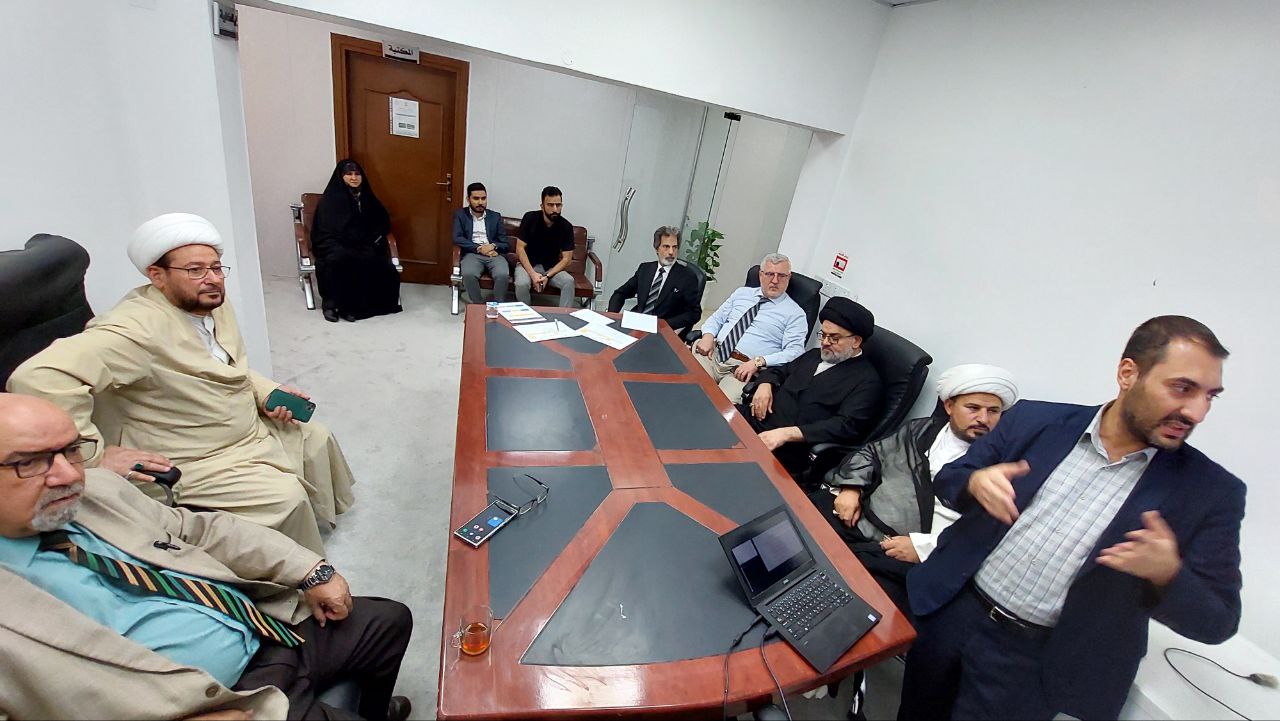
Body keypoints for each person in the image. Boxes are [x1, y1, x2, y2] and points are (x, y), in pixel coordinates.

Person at [899, 316, 1245, 721]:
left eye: (1210, 396)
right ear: (1128, 373)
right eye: (1183, 388)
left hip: (1033, 664)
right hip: (953, 614)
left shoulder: (1210, 492)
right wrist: (974, 482)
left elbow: (1219, 621)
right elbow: (948, 480)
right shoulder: (1034, 421)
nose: (1197, 412)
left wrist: (1168, 573)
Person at [0, 393, 412, 721]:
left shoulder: (99, 490)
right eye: (29, 462)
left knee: (389, 621)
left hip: (265, 628)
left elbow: (200, 529)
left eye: (71, 450)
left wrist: (310, 569)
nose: (69, 475)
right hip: (216, 701)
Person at [7, 213, 354, 556]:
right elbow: (37, 376)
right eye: (195, 270)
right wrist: (93, 456)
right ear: (156, 275)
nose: (212, 279)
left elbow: (226, 365)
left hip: (239, 423)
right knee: (283, 497)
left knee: (315, 436)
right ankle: (296, 573)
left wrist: (265, 392)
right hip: (195, 451)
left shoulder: (210, 303)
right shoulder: (135, 330)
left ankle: (313, 521)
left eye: (216, 268)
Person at [808, 363, 1017, 721]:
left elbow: (988, 534)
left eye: (993, 411)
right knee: (802, 521)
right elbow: (874, 452)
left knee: (857, 595)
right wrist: (851, 487)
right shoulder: (921, 430)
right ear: (949, 405)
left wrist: (922, 547)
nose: (983, 419)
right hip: (861, 519)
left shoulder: (1000, 465)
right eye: (973, 408)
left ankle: (818, 664)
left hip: (913, 556)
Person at [738, 297, 882, 480]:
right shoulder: (814, 355)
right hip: (753, 420)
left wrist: (787, 434)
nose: (825, 342)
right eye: (823, 335)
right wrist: (764, 385)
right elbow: (780, 371)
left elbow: (845, 426)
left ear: (856, 341)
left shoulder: (867, 382)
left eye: (834, 338)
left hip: (786, 449)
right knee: (710, 420)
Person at [692, 253, 807, 403]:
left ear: (789, 277)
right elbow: (717, 319)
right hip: (712, 355)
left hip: (742, 370)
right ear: (760, 275)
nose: (775, 280)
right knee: (684, 384)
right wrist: (708, 336)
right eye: (770, 274)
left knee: (717, 406)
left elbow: (795, 352)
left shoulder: (795, 314)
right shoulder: (742, 293)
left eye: (781, 276)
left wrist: (758, 362)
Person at [311, 159, 402, 322]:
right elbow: (325, 229)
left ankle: (355, 307)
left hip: (362, 243)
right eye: (349, 174)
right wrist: (349, 241)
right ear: (341, 176)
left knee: (377, 261)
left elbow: (382, 221)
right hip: (333, 243)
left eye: (357, 174)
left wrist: (373, 238)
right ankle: (331, 305)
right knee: (339, 259)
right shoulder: (331, 199)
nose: (354, 178)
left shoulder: (367, 197)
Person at [606, 226, 703, 334]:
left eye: (675, 247)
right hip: (636, 323)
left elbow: (694, 313)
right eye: (666, 247)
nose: (671, 252)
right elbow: (620, 293)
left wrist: (664, 325)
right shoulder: (645, 269)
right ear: (657, 248)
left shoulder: (687, 277)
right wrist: (611, 316)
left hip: (662, 330)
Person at [514, 186, 576, 307]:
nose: (555, 209)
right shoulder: (530, 218)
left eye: (558, 205)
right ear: (542, 206)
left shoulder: (566, 226)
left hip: (551, 268)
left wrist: (547, 276)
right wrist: (533, 274)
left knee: (569, 281)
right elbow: (520, 248)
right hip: (528, 265)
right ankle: (526, 314)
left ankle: (563, 315)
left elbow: (567, 259)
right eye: (550, 205)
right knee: (521, 284)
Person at [453, 181, 510, 305]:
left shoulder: (495, 216)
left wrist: (493, 246)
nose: (480, 202)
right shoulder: (460, 215)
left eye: (483, 198)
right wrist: (479, 248)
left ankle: (497, 306)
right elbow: (457, 238)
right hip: (472, 253)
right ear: (468, 199)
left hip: (494, 254)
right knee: (468, 274)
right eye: (476, 198)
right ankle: (479, 305)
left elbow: (505, 243)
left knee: (502, 274)